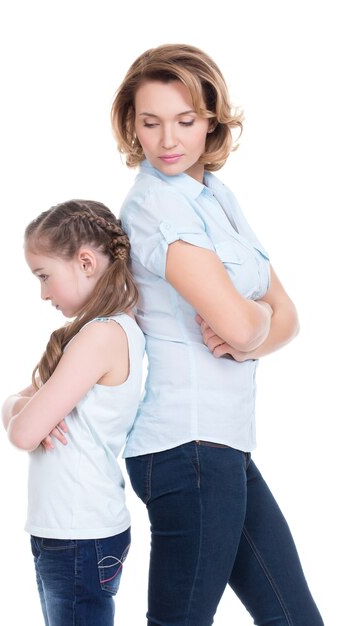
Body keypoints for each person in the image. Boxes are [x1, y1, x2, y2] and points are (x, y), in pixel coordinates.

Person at [111, 44, 324, 626]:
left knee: (293, 617)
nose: (167, 140)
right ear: (132, 122)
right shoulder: (157, 205)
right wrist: (254, 324)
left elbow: (289, 316)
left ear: (212, 120)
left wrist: (253, 326)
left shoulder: (214, 198)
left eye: (185, 121)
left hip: (223, 445)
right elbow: (246, 321)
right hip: (185, 444)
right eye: (150, 122)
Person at [1, 199, 145, 626]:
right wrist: (20, 408)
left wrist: (23, 413)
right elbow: (15, 406)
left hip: (79, 536)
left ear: (85, 261)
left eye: (44, 276)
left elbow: (23, 434)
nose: (43, 292)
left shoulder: (101, 337)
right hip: (64, 532)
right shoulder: (93, 334)